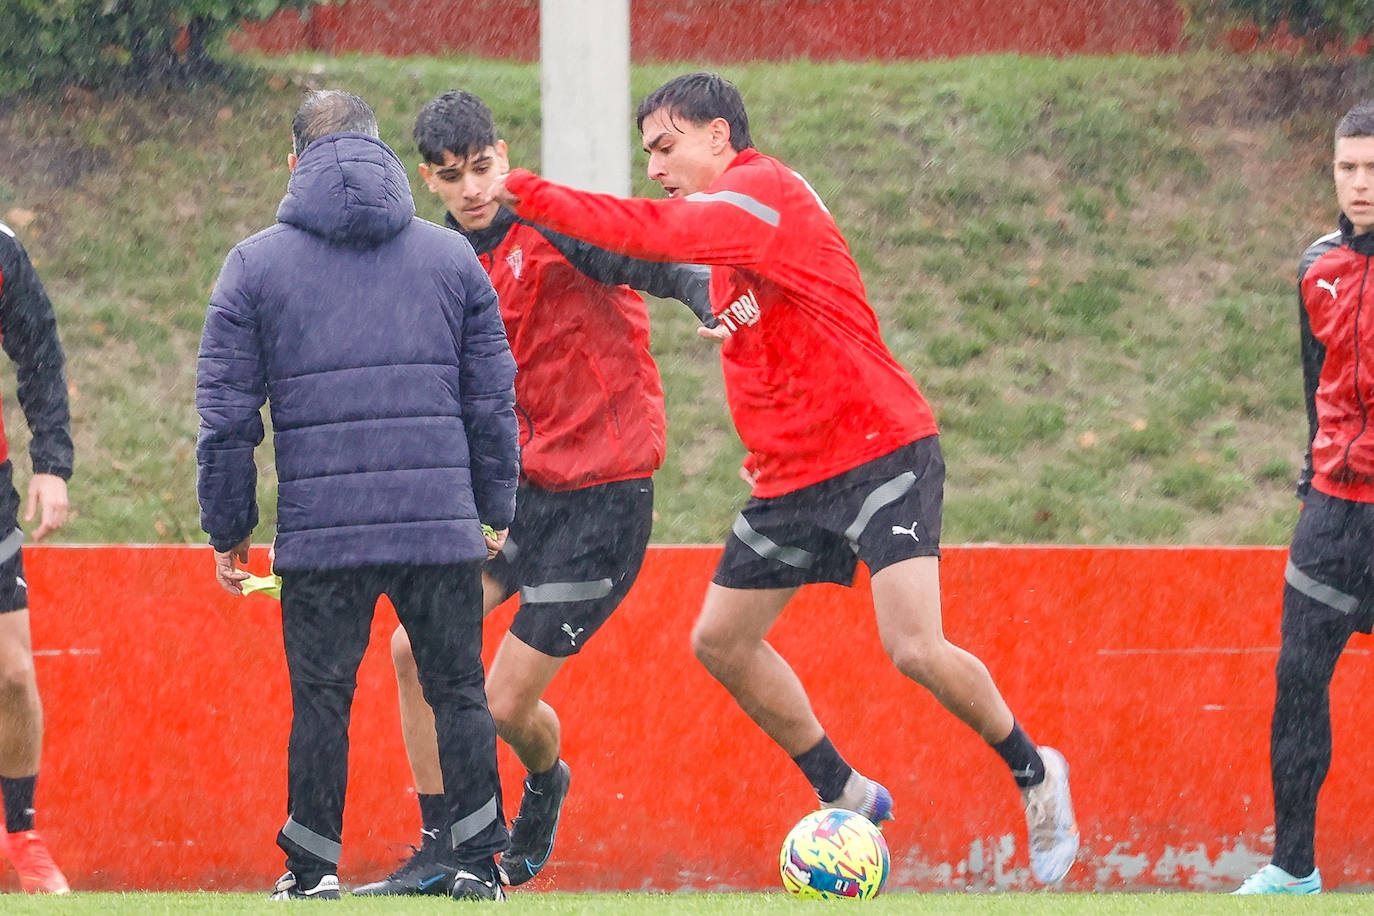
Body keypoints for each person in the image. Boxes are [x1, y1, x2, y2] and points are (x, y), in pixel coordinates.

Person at [494, 71, 1080, 885]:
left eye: (666, 148)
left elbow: (654, 235)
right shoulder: (732, 248)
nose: (656, 168)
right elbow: (716, 297)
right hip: (793, 478)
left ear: (719, 137)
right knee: (720, 641)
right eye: (648, 155)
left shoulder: (760, 190)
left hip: (881, 448)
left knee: (912, 645)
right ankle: (843, 788)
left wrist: (520, 190)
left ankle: (1033, 771)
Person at [353, 90, 712, 896]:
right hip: (519, 497)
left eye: (483, 167)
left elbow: (653, 258)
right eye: (454, 176)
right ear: (430, 181)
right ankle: (440, 848)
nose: (474, 188)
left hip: (604, 502)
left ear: (503, 154)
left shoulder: (555, 223)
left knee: (503, 704)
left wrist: (703, 294)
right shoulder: (438, 262)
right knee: (412, 648)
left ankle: (544, 783)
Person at [196, 89, 520, 901]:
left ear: (295, 163)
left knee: (321, 704)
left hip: (322, 533)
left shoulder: (253, 264)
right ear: (382, 153)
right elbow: (492, 399)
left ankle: (311, 870)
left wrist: (229, 527)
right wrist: (495, 508)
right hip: (438, 523)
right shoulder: (452, 260)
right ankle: (479, 863)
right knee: (458, 691)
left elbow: (229, 418)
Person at [1232, 100, 1374, 896]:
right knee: (1297, 681)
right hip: (1330, 511)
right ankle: (1294, 867)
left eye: (1373, 169)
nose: (1360, 184)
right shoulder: (1315, 267)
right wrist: (1311, 479)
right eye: (1348, 168)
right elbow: (1313, 387)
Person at [0, 222, 73, 895]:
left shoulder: (0, 249)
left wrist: (51, 464)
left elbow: (40, 352)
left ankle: (22, 835)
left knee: (15, 676)